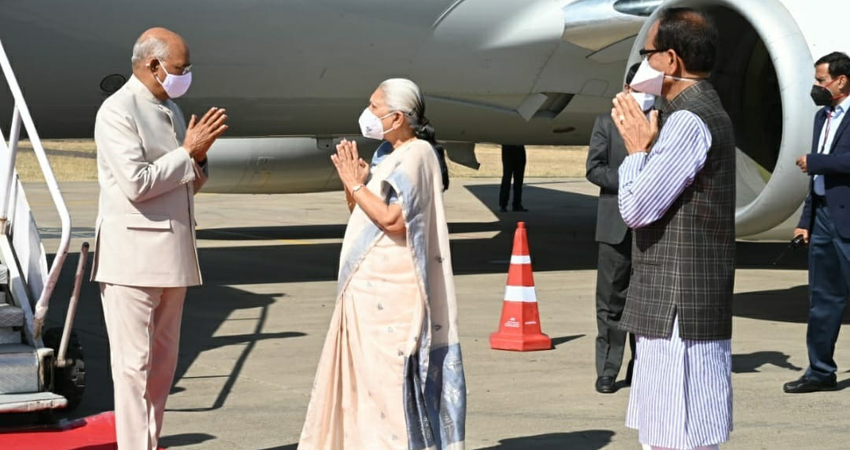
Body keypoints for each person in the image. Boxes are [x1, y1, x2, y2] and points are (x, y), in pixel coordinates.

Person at [298, 78, 466, 450]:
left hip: (393, 297)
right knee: (364, 385)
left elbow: (395, 221)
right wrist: (354, 185)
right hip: (366, 293)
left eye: (375, 107)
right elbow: (364, 216)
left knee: (388, 386)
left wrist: (355, 185)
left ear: (398, 116)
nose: (368, 113)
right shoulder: (387, 155)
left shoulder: (418, 154)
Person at [91, 28, 228, 450]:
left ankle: (149, 442)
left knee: (163, 365)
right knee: (133, 367)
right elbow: (137, 183)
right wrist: (186, 152)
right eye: (180, 68)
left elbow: (184, 185)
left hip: (172, 256)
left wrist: (198, 157)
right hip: (132, 259)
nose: (185, 76)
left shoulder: (170, 108)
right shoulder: (118, 110)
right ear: (153, 65)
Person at [611, 7, 734, 450]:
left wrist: (636, 151)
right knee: (677, 428)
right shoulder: (697, 110)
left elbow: (636, 208)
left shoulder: (687, 120)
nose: (644, 63)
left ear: (671, 59)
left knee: (676, 431)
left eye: (648, 54)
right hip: (681, 297)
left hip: (677, 301)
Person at [785, 51, 850, 394]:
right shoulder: (821, 117)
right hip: (823, 217)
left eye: (821, 80)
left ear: (842, 80)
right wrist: (806, 219)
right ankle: (820, 371)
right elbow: (817, 178)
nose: (816, 86)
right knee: (822, 299)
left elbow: (824, 164)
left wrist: (816, 161)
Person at [586, 62, 646, 394]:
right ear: (626, 89)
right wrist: (629, 178)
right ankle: (608, 369)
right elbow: (594, 169)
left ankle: (642, 366)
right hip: (614, 226)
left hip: (650, 226)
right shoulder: (606, 123)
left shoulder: (661, 122)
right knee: (610, 300)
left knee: (644, 301)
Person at [499, 144, 528, 212]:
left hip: (518, 148)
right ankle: (504, 205)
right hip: (509, 148)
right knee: (507, 178)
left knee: (518, 178)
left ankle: (516, 204)